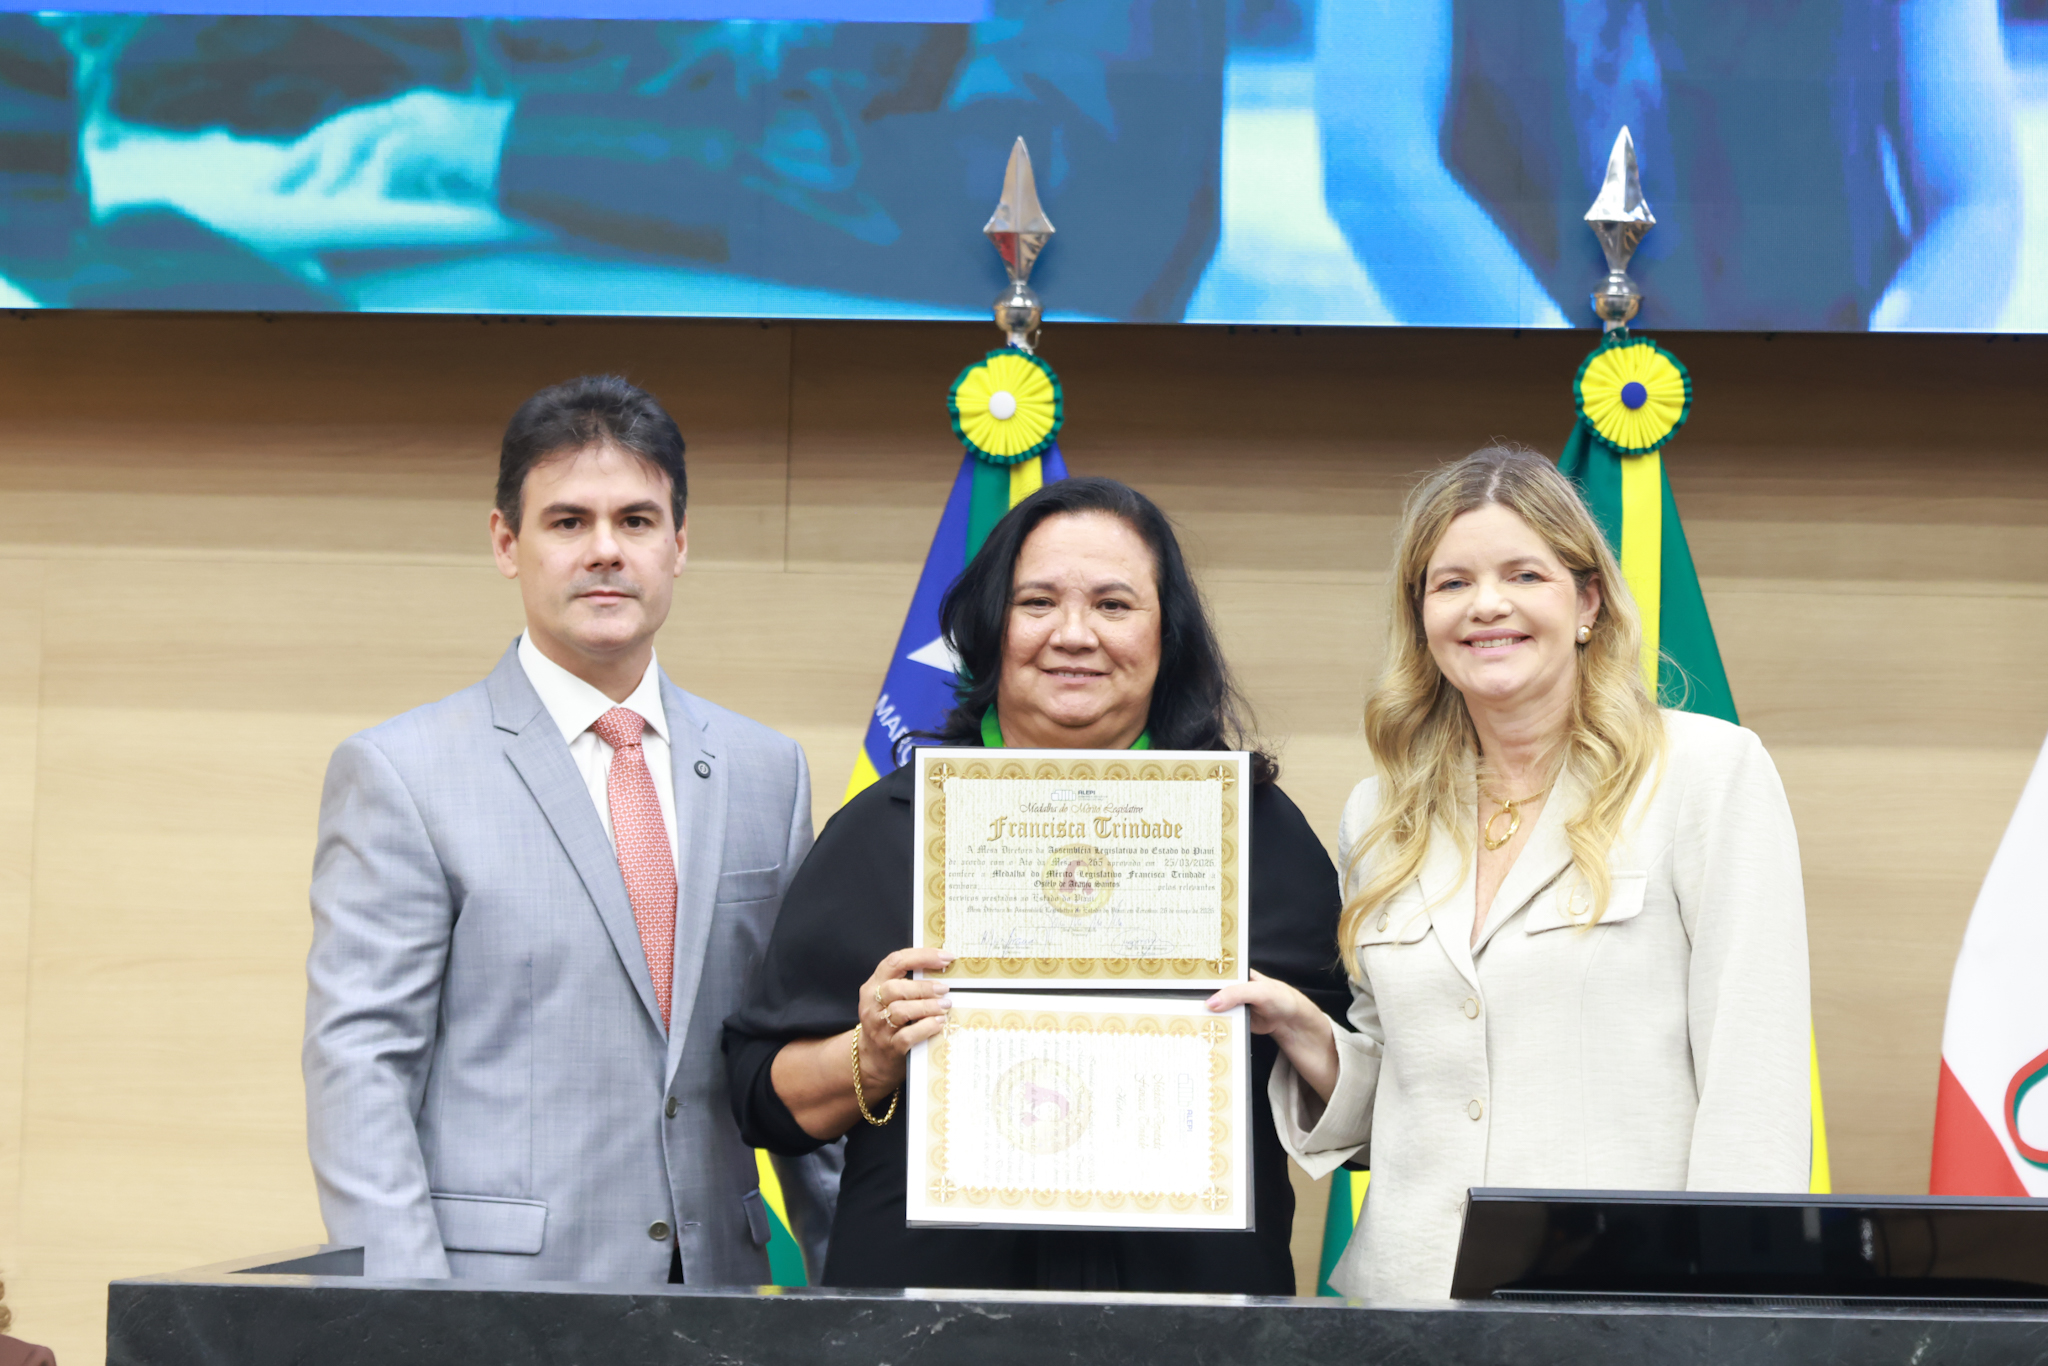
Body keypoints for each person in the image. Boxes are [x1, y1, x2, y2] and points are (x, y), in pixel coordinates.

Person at [1210, 445, 1811, 1301]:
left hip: (1623, 1306)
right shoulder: (1379, 814)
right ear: (1421, 617)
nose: (1486, 604)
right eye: (1451, 583)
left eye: (1524, 575)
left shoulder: (1706, 773)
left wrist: (1728, 1311)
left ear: (1588, 601)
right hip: (1407, 1313)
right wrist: (1307, 1033)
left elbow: (1755, 1080)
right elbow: (1415, 1100)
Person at [723, 476, 1349, 1293]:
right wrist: (870, 1056)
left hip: (1192, 1316)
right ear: (992, 626)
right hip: (927, 1320)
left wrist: (1296, 1028)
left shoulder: (1250, 831)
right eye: (1038, 603)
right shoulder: (893, 825)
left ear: (1167, 634)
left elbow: (1364, 1106)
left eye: (1114, 605)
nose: (1074, 635)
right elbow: (761, 1097)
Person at [303, 374, 835, 1284]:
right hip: (500, 1305)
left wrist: (857, 1292)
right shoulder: (402, 772)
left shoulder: (767, 772)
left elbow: (796, 1052)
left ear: (678, 545)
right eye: (567, 522)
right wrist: (412, 1324)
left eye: (636, 521)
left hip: (724, 1297)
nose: (605, 551)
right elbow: (360, 1070)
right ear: (507, 543)